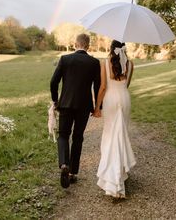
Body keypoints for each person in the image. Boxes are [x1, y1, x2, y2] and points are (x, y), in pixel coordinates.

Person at [50, 33, 101, 188]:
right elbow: (97, 87)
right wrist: (98, 107)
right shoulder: (94, 62)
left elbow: (53, 82)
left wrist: (55, 100)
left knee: (63, 135)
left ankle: (64, 164)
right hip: (84, 106)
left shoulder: (65, 59)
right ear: (88, 46)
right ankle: (72, 173)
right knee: (78, 137)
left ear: (75, 44)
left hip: (65, 104)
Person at [93, 40, 136, 198]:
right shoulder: (131, 64)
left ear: (111, 49)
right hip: (124, 99)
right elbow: (127, 85)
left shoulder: (105, 62)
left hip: (111, 100)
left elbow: (103, 87)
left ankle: (113, 179)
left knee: (111, 135)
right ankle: (121, 173)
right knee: (121, 134)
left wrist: (97, 107)